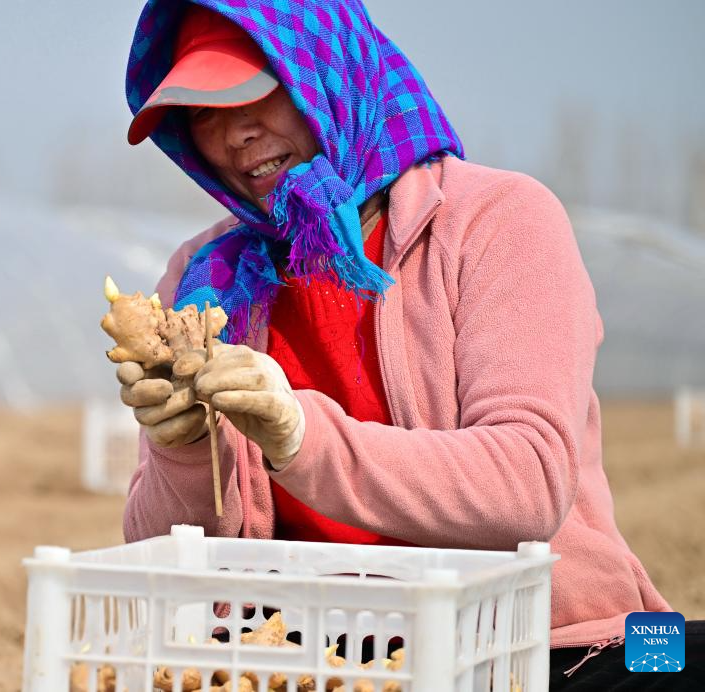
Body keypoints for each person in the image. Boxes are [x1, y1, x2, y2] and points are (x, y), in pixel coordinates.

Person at [115, 1, 702, 688]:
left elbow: (528, 483)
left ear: (329, 74)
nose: (236, 133)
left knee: (681, 656)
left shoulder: (498, 220)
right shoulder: (205, 284)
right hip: (316, 655)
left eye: (260, 92)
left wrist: (301, 435)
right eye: (203, 112)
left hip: (546, 638)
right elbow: (162, 556)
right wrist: (185, 449)